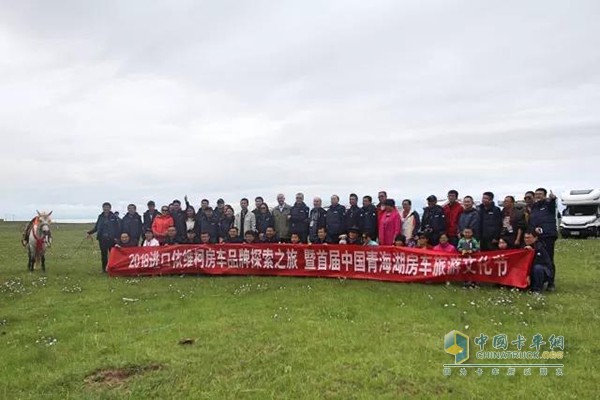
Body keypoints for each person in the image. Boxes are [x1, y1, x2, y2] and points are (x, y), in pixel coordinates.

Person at [529, 188, 558, 291]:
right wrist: (534, 229)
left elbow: (552, 203)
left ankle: (551, 283)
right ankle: (538, 281)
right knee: (536, 259)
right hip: (537, 237)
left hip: (548, 236)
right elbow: (532, 221)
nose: (537, 196)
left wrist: (553, 198)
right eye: (536, 194)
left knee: (548, 259)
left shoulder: (548, 205)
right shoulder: (534, 207)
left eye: (540, 194)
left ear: (545, 195)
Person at [87, 202, 121, 273]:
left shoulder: (114, 217)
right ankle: (104, 269)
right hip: (102, 239)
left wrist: (117, 238)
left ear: (110, 208)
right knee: (103, 255)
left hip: (112, 239)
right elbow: (97, 227)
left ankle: (113, 268)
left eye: (107, 207)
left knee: (113, 255)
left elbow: (118, 228)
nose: (106, 208)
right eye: (104, 207)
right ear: (103, 208)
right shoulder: (100, 216)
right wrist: (90, 232)